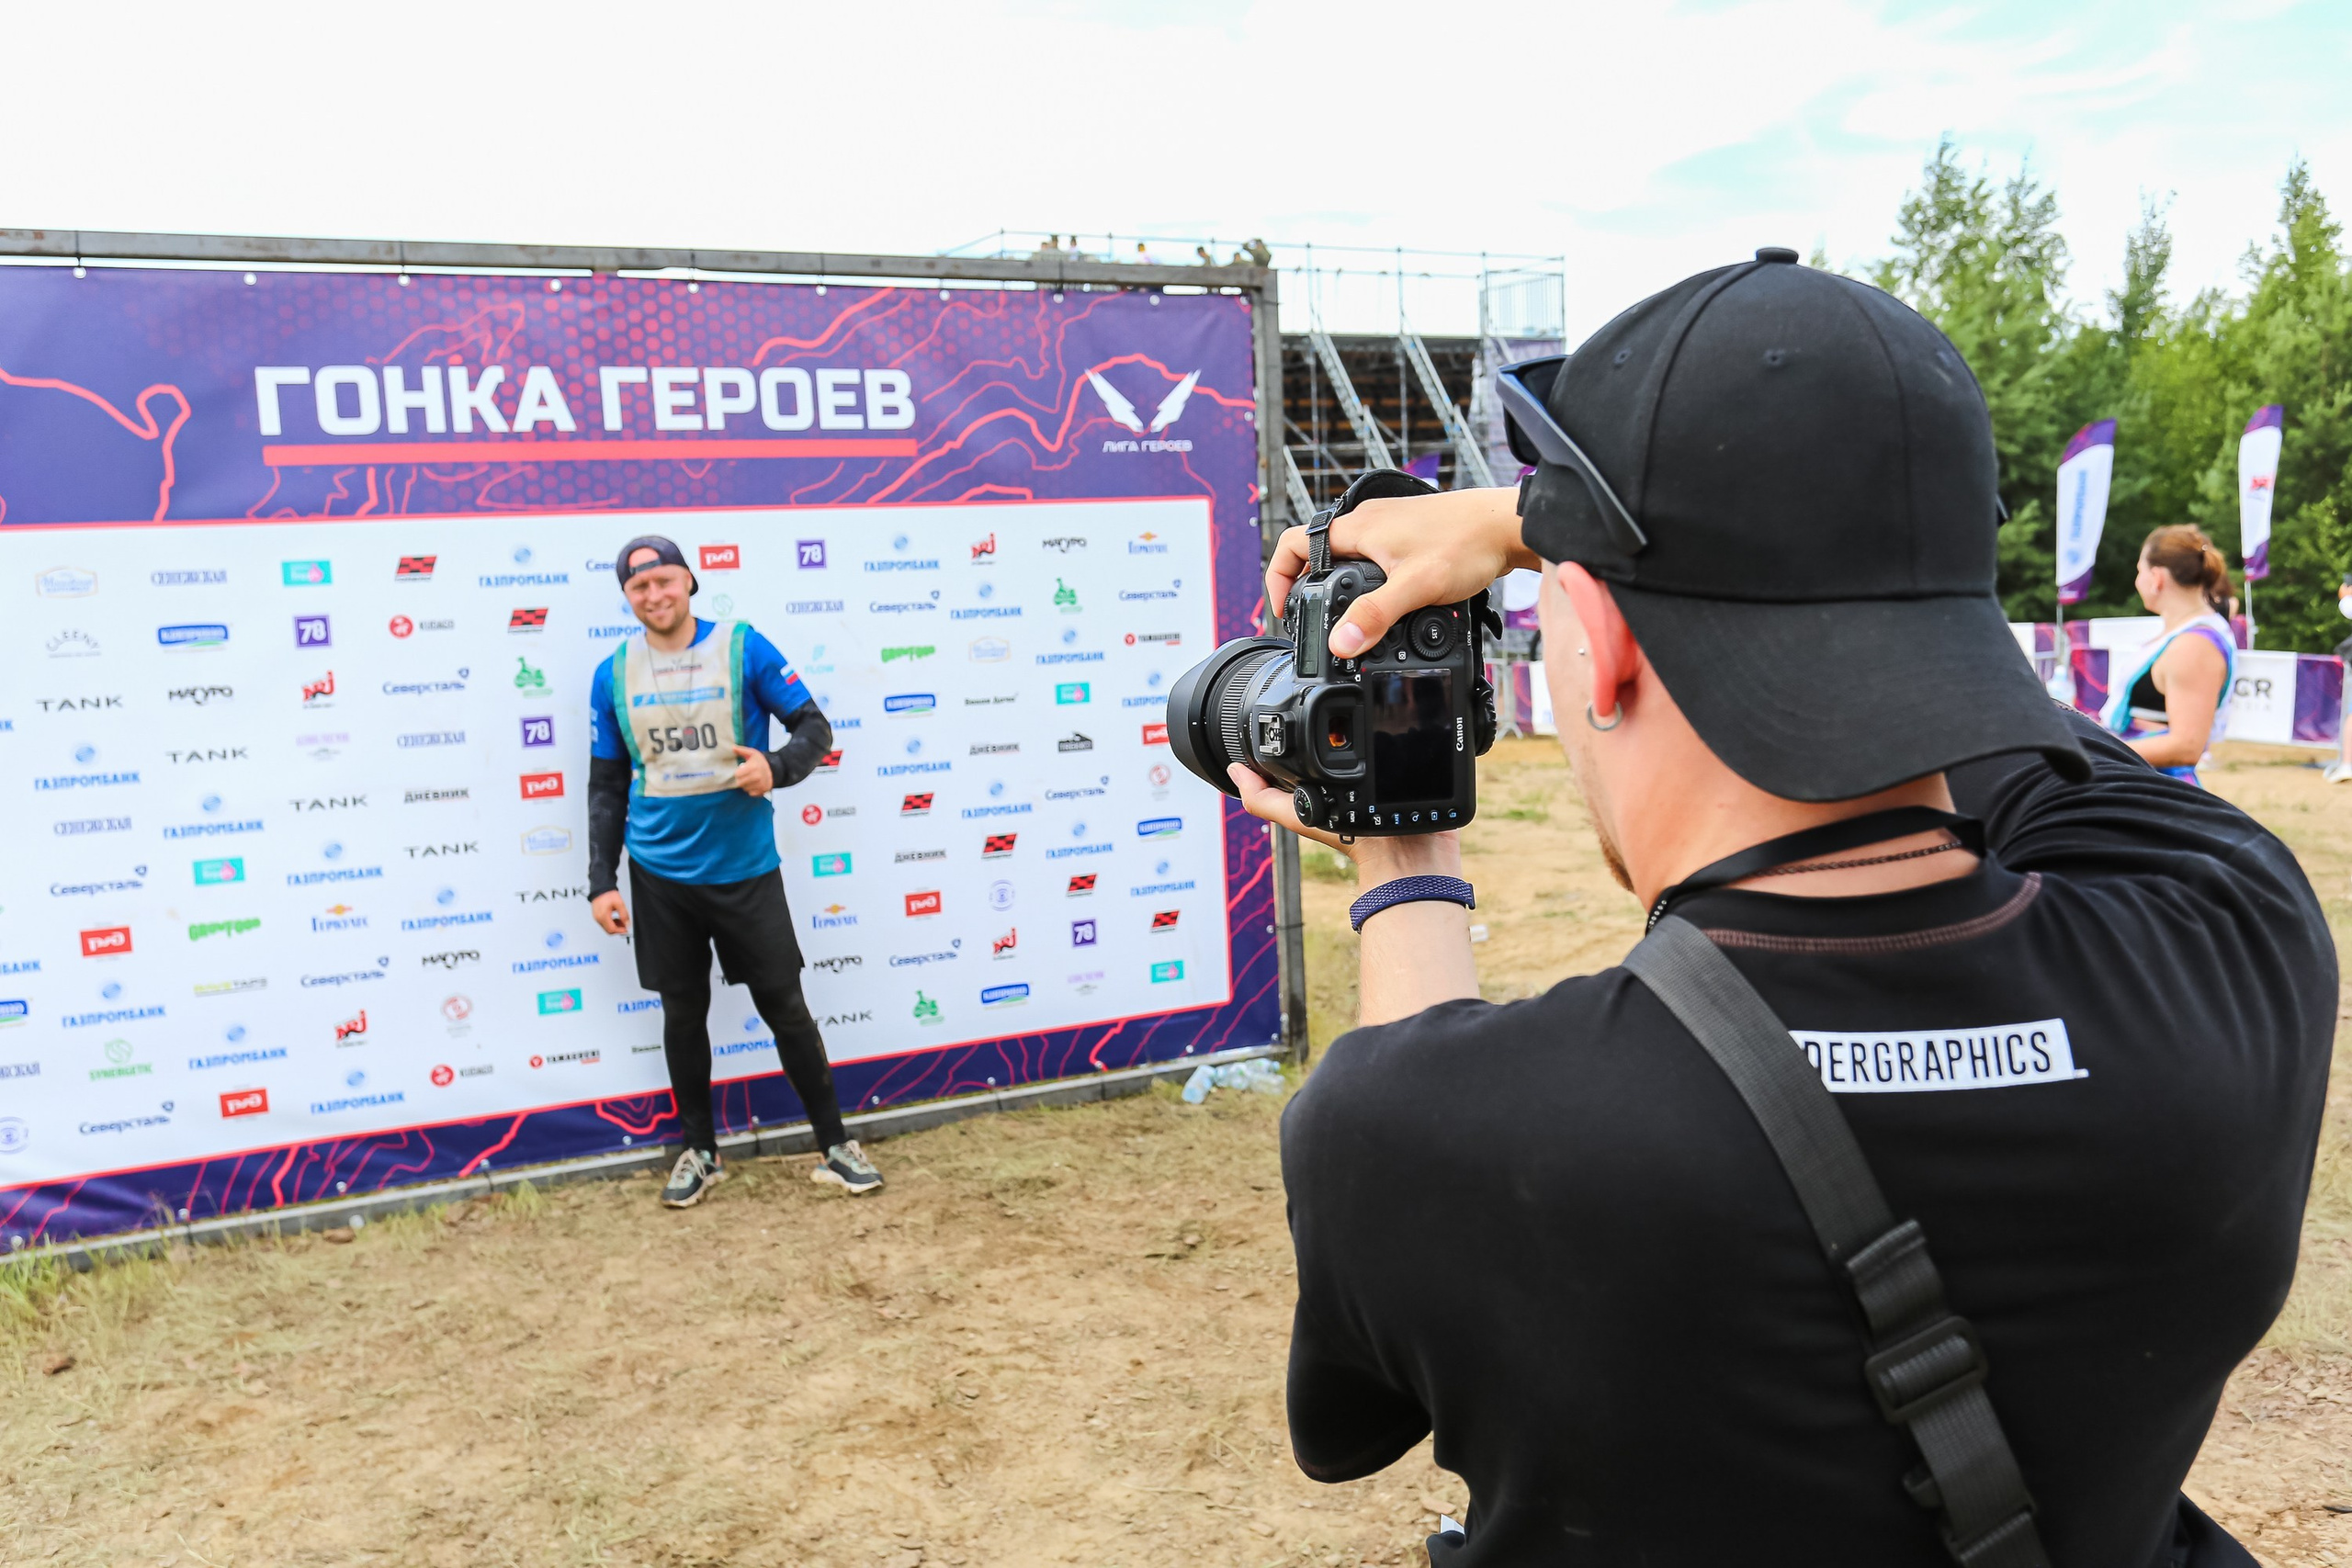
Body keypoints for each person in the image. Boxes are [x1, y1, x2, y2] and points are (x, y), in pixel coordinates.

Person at [1240, 252, 2330, 1565]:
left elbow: (1363, 1415)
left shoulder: (1425, 1130)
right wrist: (1547, 528)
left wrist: (1405, 862)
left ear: (1602, 633)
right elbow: (2026, 732)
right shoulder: (2236, 949)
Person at [586, 536, 882, 1207]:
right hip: (661, 874)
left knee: (785, 1006)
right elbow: (606, 784)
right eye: (639, 588)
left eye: (664, 580)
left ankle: (835, 1144)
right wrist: (601, 879)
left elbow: (813, 725)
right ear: (628, 599)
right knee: (682, 1013)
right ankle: (700, 1151)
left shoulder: (744, 646)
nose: (654, 595)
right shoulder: (613, 672)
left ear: (688, 580)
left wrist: (776, 768)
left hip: (745, 867)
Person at [2098, 525, 2237, 786]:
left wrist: (2096, 754)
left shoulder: (2194, 645)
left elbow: (2186, 745)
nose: (2136, 581)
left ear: (2157, 577)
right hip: (2140, 781)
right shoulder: (2186, 634)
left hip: (2156, 790)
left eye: (2139, 571)